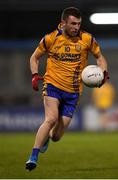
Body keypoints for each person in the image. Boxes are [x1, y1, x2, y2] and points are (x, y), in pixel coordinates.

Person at [25, 7, 109, 171]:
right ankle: (33, 157)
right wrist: (35, 75)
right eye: (73, 24)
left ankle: (48, 138)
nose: (76, 27)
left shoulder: (87, 39)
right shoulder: (50, 39)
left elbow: (100, 58)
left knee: (56, 136)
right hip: (52, 85)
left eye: (78, 24)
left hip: (73, 92)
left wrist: (104, 72)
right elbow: (34, 57)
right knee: (50, 119)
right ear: (63, 23)